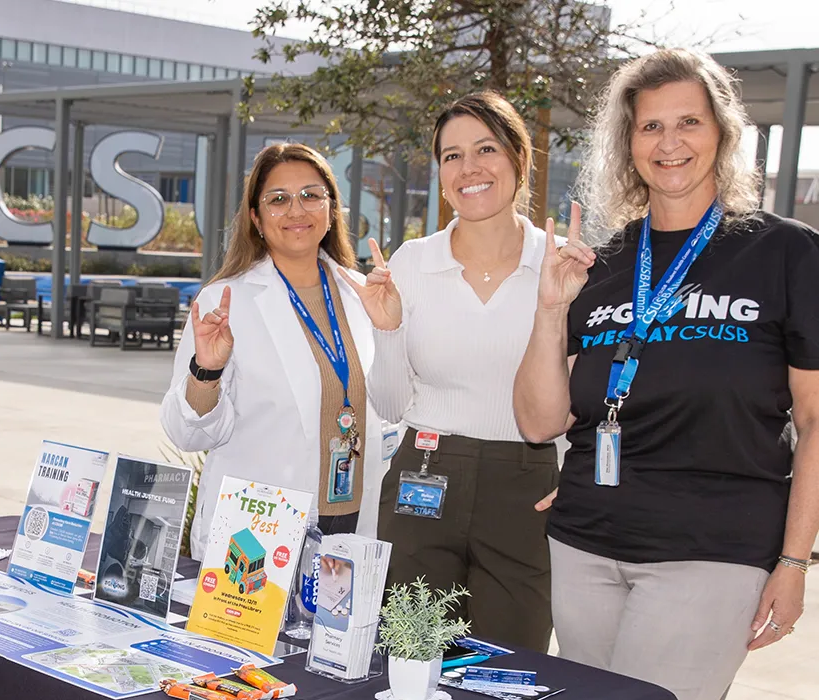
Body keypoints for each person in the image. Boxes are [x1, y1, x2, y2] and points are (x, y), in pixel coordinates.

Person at [514, 48, 818, 700]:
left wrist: (794, 561)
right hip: (585, 545)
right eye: (651, 126)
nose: (670, 142)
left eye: (690, 122)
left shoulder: (785, 252)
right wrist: (548, 311)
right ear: (628, 143)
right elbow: (540, 421)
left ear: (723, 134)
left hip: (714, 547)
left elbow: (816, 420)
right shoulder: (604, 265)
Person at [346, 91, 562, 652]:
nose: (470, 169)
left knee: (510, 667)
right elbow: (392, 406)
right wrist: (387, 331)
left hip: (527, 482)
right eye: (451, 156)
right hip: (424, 470)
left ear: (519, 158)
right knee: (411, 659)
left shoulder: (559, 265)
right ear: (440, 172)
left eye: (486, 149)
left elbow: (582, 390)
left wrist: (576, 474)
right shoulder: (413, 261)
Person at [160, 143, 386, 560]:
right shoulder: (225, 301)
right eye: (278, 200)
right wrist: (206, 372)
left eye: (311, 195)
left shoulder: (365, 296)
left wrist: (393, 329)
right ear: (256, 219)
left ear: (332, 208)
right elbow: (186, 434)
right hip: (260, 524)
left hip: (353, 522)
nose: (297, 211)